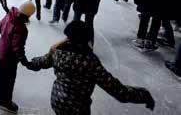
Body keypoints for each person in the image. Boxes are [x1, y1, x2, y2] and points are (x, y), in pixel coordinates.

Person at [26, 20, 155, 115]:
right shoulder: (90, 62)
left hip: (57, 101)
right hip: (77, 109)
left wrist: (28, 62)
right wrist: (143, 95)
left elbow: (41, 62)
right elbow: (117, 90)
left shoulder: (57, 52)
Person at [0, 0, 36, 113]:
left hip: (1, 50)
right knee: (9, 79)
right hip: (10, 56)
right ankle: (5, 101)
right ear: (29, 15)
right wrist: (24, 61)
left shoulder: (10, 15)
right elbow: (17, 47)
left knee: (1, 70)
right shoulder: (21, 28)